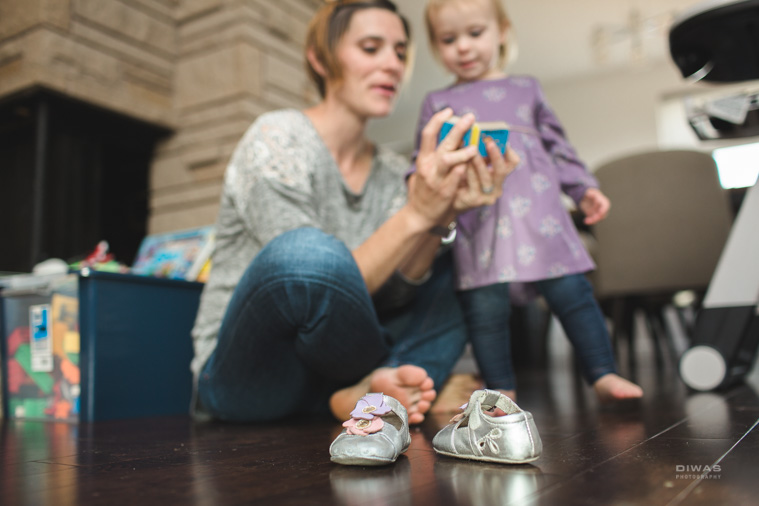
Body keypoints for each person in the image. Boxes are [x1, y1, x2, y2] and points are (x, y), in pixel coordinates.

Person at [190, 0, 518, 425]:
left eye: (400, 52)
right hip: (252, 376)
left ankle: (374, 391)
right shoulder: (276, 136)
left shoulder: (392, 171)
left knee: (464, 251)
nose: (393, 64)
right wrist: (416, 213)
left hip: (341, 362)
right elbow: (308, 281)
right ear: (320, 59)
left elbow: (395, 295)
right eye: (371, 48)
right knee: (307, 252)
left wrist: (441, 216)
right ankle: (386, 381)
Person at [416, 0, 643, 403]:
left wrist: (582, 188)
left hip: (542, 220)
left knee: (574, 296)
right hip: (479, 228)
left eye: (475, 33)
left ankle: (603, 373)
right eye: (449, 39)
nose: (463, 47)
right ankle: (499, 391)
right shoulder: (437, 103)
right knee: (485, 312)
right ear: (436, 45)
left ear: (502, 31)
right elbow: (423, 163)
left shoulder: (527, 89)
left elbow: (559, 148)